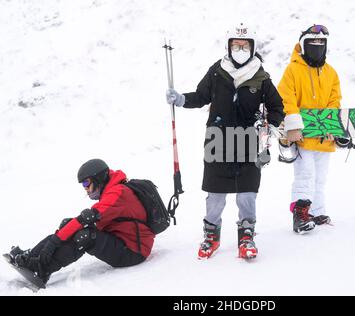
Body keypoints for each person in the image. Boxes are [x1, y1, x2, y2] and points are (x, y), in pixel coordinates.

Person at [166, 23, 284, 259]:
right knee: (215, 193)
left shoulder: (261, 77)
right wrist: (180, 99)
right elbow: (200, 97)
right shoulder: (217, 71)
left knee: (247, 193)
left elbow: (276, 106)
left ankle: (246, 234)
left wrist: (269, 124)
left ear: (252, 47)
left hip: (248, 140)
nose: (240, 49)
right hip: (217, 139)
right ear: (229, 47)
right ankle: (211, 235)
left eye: (244, 45)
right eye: (236, 45)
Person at [6, 159, 155, 285]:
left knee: (85, 236)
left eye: (86, 183)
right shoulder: (112, 189)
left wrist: (54, 242)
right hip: (119, 239)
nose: (86, 189)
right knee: (68, 225)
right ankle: (32, 256)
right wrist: (55, 240)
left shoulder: (117, 193)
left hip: (133, 252)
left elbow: (86, 218)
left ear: (99, 179)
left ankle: (42, 269)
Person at [277, 24, 342, 234]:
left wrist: (333, 126)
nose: (317, 46)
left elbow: (335, 100)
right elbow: (285, 99)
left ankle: (317, 210)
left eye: (321, 43)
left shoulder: (331, 72)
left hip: (324, 136)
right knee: (305, 175)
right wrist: (292, 126)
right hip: (302, 134)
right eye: (312, 43)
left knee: (320, 176)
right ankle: (300, 214)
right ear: (303, 45)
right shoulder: (293, 70)